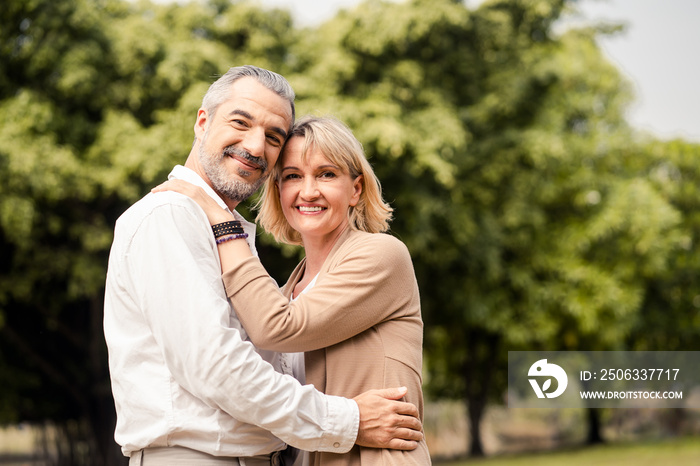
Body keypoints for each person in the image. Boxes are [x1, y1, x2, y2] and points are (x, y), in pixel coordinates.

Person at [103, 66, 423, 466]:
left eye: (273, 137)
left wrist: (220, 219)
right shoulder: (171, 215)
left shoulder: (236, 241)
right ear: (202, 122)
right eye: (241, 122)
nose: (255, 147)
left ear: (356, 188)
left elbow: (273, 346)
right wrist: (349, 420)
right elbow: (219, 369)